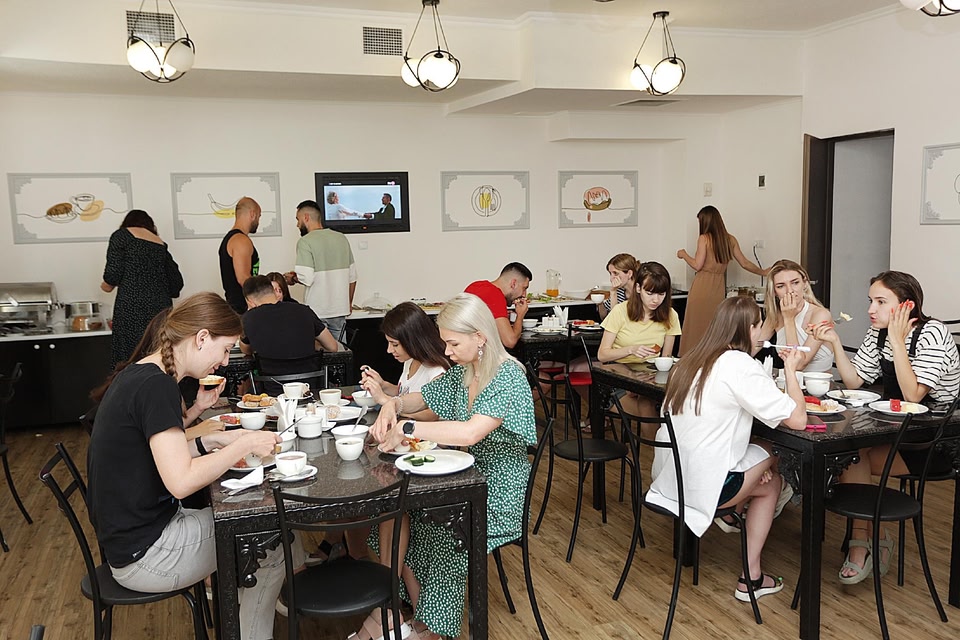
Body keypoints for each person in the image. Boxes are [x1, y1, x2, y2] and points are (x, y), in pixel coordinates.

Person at [87, 293, 294, 640]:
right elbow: (180, 482)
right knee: (273, 541)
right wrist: (242, 445)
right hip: (148, 554)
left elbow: (160, 455)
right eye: (225, 350)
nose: (225, 362)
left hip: (128, 541)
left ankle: (239, 612)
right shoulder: (157, 386)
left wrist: (210, 442)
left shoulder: (140, 374)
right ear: (201, 338)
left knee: (259, 528)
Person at [363, 293, 536, 640]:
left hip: (499, 488)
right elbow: (423, 397)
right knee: (399, 524)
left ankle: (430, 629)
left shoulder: (507, 376)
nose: (447, 350)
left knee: (445, 538)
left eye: (453, 343)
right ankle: (420, 621)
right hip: (465, 477)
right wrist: (394, 404)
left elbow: (470, 432)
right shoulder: (464, 372)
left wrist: (407, 427)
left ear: (480, 337)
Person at [647, 295, 807, 603]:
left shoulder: (692, 360)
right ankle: (750, 577)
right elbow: (797, 420)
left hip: (670, 478)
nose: (761, 333)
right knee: (773, 462)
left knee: (767, 475)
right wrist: (791, 369)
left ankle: (739, 515)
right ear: (749, 329)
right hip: (704, 486)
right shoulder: (740, 365)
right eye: (759, 326)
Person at [809, 270, 960, 584]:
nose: (870, 309)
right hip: (893, 432)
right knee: (849, 453)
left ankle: (862, 545)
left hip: (934, 443)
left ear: (906, 306)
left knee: (850, 457)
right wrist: (834, 343)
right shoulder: (878, 332)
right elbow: (855, 382)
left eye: (880, 302)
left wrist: (897, 340)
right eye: (871, 301)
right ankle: (870, 540)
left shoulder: (933, 333)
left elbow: (913, 395)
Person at [597, 261, 681, 436]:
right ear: (637, 288)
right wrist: (631, 349)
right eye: (649, 293)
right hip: (616, 379)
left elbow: (666, 357)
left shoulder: (671, 315)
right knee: (647, 403)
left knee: (675, 404)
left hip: (650, 378)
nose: (655, 300)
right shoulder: (620, 311)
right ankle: (663, 448)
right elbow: (602, 355)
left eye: (661, 294)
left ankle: (666, 446)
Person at [676, 205, 767, 356]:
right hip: (718, 288)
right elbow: (744, 263)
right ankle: (713, 357)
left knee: (695, 326)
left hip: (701, 287)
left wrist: (683, 254)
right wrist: (763, 272)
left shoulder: (704, 239)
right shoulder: (730, 240)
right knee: (714, 326)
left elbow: (697, 265)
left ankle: (691, 358)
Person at [101, 209, 184, 366]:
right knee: (157, 355)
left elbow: (112, 275)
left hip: (132, 308)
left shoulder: (122, 236)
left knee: (129, 357)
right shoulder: (160, 244)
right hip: (160, 310)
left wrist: (105, 285)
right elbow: (176, 285)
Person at [240, 275, 340, 394]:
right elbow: (332, 347)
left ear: (249, 301)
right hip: (309, 388)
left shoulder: (249, 318)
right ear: (273, 291)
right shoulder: (304, 311)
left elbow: (246, 350)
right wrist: (308, 342)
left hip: (271, 391)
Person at [359, 302, 450, 417]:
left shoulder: (437, 372)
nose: (389, 350)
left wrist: (387, 401)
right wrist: (382, 385)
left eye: (395, 344)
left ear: (413, 340)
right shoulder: (410, 360)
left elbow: (432, 415)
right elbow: (405, 392)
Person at [292, 200, 358, 341]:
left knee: (318, 353)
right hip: (340, 310)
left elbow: (306, 278)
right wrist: (348, 303)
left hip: (317, 311)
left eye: (298, 220)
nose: (297, 225)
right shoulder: (341, 238)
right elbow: (352, 277)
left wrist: (292, 278)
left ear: (306, 217)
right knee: (340, 352)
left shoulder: (305, 242)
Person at [758, 259, 834, 372]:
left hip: (817, 382)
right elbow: (755, 345)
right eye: (781, 286)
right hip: (787, 380)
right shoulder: (775, 315)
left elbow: (798, 364)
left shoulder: (821, 315)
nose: (790, 290)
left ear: (805, 283)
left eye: (795, 283)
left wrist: (789, 319)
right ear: (774, 292)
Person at [464, 262, 532, 349]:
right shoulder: (495, 295)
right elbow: (510, 342)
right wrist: (520, 315)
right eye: (524, 288)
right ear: (513, 284)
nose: (524, 294)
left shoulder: (475, 285)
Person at [219, 197, 262, 314]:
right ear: (252, 214)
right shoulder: (241, 240)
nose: (258, 221)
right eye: (259, 216)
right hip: (243, 309)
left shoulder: (232, 238)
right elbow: (243, 278)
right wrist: (263, 300)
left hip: (237, 307)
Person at [597, 253, 638, 321]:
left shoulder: (642, 292)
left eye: (615, 273)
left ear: (629, 273)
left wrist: (613, 292)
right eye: (610, 274)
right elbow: (604, 317)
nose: (611, 278)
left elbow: (615, 320)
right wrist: (600, 303)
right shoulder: (619, 291)